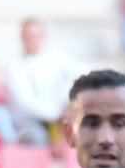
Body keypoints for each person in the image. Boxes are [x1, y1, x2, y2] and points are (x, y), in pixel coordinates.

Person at [5, 18, 77, 146]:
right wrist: (55, 114)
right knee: (38, 138)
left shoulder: (56, 59)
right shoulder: (15, 66)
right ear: (22, 38)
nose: (34, 40)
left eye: (37, 35)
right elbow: (26, 103)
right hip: (28, 121)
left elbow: (80, 73)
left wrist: (66, 104)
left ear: (43, 36)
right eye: (30, 36)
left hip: (56, 116)